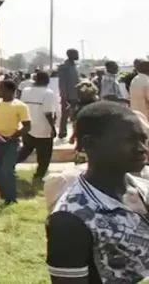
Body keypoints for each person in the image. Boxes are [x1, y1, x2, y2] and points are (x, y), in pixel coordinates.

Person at [46, 102, 149, 283]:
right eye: (130, 139)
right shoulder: (71, 217)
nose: (142, 148)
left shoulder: (144, 189)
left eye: (143, 139)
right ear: (90, 143)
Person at [0, 78, 31, 204]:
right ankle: (4, 195)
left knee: (7, 169)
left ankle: (11, 197)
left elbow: (27, 126)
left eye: (1, 88)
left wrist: (13, 136)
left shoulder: (20, 106)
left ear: (10, 90)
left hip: (11, 142)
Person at [18, 70, 61, 184]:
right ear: (46, 81)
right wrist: (53, 128)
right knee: (44, 155)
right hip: (43, 128)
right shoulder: (48, 93)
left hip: (28, 127)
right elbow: (48, 113)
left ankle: (8, 164)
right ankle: (38, 176)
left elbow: (22, 107)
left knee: (25, 149)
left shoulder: (26, 91)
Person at [57, 48, 81, 140]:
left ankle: (75, 134)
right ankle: (62, 132)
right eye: (76, 54)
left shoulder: (75, 66)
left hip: (76, 94)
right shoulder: (64, 67)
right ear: (70, 55)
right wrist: (63, 96)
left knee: (75, 115)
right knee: (65, 115)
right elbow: (62, 82)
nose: (78, 56)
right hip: (67, 95)